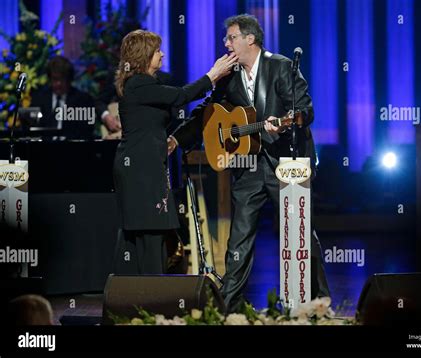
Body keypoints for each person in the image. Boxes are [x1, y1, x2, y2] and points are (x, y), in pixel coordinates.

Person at [168, 14, 330, 312]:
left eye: (230, 37)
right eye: (225, 38)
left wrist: (284, 125)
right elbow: (208, 113)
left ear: (250, 39)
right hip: (249, 165)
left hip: (287, 163)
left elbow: (305, 110)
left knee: (298, 234)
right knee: (239, 239)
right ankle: (228, 308)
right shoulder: (230, 77)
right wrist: (178, 139)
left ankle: (316, 303)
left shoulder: (281, 67)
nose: (225, 43)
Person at [113, 30, 238, 275]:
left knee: (153, 231)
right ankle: (145, 296)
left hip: (148, 165)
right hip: (139, 168)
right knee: (148, 230)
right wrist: (212, 75)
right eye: (157, 50)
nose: (162, 54)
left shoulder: (150, 83)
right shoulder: (138, 83)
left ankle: (142, 297)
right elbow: (181, 96)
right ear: (144, 55)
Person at [30, 56, 96, 139]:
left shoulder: (83, 100)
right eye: (55, 79)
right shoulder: (39, 99)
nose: (58, 84)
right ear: (50, 79)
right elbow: (32, 131)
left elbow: (86, 132)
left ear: (69, 79)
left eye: (62, 79)